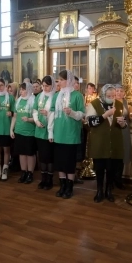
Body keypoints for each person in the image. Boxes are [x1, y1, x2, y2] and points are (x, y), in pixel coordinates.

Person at [86, 84, 126, 203]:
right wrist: (105, 115)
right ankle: (99, 191)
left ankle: (109, 190)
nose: (112, 98)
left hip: (114, 141)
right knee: (99, 168)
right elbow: (90, 122)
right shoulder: (94, 104)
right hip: (99, 141)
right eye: (109, 96)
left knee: (111, 168)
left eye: (113, 95)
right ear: (103, 95)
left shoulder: (119, 105)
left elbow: (123, 122)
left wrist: (123, 124)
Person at [48, 70, 85, 199]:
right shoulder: (56, 95)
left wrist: (72, 112)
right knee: (60, 162)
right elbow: (52, 114)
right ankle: (62, 186)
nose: (60, 82)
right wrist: (50, 132)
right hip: (58, 134)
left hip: (71, 134)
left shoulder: (77, 96)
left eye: (62, 80)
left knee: (69, 163)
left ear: (68, 80)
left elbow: (82, 114)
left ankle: (69, 187)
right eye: (59, 80)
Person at [33, 75, 56, 190]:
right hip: (39, 130)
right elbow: (34, 110)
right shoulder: (39, 97)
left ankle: (50, 180)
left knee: (49, 157)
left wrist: (49, 114)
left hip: (50, 131)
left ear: (52, 86)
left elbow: (58, 114)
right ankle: (43, 179)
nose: (45, 88)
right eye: (43, 86)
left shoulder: (55, 97)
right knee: (42, 156)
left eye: (47, 86)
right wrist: (36, 121)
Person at [10, 82, 36, 184]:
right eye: (20, 89)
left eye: (23, 89)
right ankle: (23, 172)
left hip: (30, 131)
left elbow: (37, 117)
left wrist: (29, 119)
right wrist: (11, 129)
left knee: (29, 153)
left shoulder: (33, 101)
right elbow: (15, 116)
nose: (21, 91)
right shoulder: (18, 101)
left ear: (28, 90)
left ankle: (30, 173)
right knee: (21, 153)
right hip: (19, 130)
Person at [115, 84, 132, 189]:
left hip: (124, 130)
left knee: (122, 155)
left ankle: (118, 180)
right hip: (113, 130)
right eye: (117, 91)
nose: (119, 93)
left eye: (121, 91)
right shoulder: (110, 102)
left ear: (124, 93)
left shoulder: (127, 103)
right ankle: (110, 180)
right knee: (112, 155)